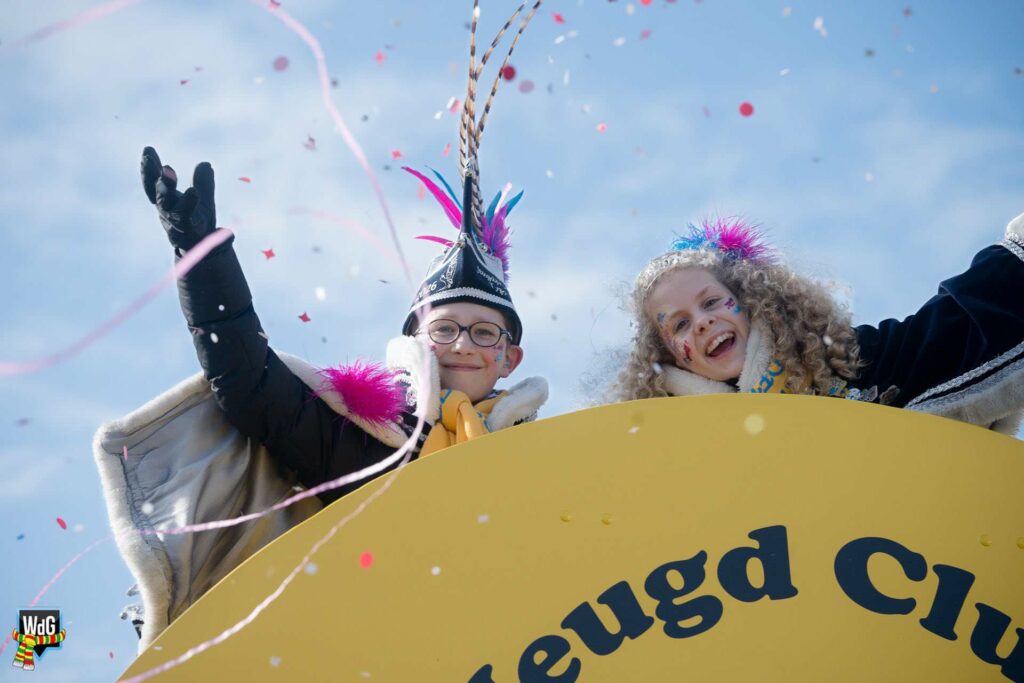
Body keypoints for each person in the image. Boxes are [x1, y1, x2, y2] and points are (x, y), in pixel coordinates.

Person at [92, 0, 548, 650]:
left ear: (510, 357)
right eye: (446, 328)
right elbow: (250, 385)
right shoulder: (371, 441)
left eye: (484, 333)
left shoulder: (551, 460)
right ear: (416, 342)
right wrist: (200, 255)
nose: (463, 345)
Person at [612, 215, 1024, 434]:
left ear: (750, 302)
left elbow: (950, 331)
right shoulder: (673, 442)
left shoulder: (850, 364)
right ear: (669, 358)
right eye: (680, 325)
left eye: (711, 302)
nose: (703, 323)